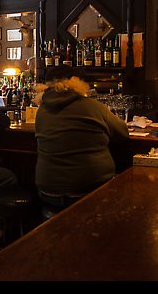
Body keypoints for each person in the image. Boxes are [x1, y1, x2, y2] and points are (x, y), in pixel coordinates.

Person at [34, 65, 129, 209]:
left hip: (47, 192)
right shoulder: (94, 107)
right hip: (89, 191)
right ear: (76, 82)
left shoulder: (41, 111)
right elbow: (123, 133)